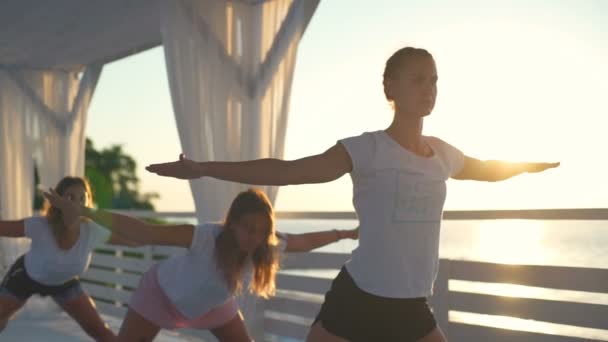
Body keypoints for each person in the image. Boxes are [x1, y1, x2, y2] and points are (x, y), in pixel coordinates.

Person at [145, 46, 559, 342]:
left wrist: (524, 166)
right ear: (390, 88)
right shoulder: (367, 149)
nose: (429, 88)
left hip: (412, 301)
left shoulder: (444, 154)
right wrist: (202, 169)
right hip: (359, 296)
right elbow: (289, 172)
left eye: (434, 80)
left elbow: (484, 170)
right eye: (418, 79)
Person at [43, 187, 357, 342]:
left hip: (214, 305)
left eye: (262, 231)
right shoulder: (207, 236)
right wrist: (85, 212)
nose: (254, 237)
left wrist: (345, 232)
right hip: (161, 294)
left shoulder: (264, 246)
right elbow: (145, 231)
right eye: (248, 228)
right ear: (232, 223)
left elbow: (304, 242)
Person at [0, 176, 141, 341]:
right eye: (70, 197)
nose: (76, 203)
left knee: (98, 329)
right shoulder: (40, 226)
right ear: (58, 201)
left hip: (65, 283)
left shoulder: (92, 231)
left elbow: (135, 239)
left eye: (82, 198)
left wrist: (91, 214)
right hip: (25, 277)